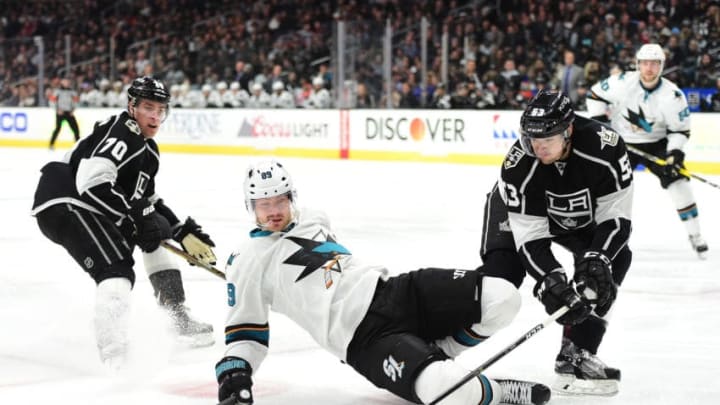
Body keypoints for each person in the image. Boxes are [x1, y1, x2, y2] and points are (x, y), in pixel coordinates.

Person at [214, 160, 552, 405]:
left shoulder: (314, 218)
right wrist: (234, 373)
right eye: (264, 205)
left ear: (292, 197)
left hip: (397, 291)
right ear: (251, 207)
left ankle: (442, 351)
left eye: (280, 201)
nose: (273, 211)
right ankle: (499, 391)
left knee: (503, 298)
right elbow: (245, 333)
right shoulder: (247, 261)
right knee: (446, 390)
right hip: (363, 340)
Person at [31, 76, 217, 369]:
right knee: (115, 269)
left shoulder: (147, 150)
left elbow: (147, 201)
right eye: (148, 107)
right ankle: (114, 350)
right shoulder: (124, 133)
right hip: (67, 201)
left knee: (154, 234)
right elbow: (91, 183)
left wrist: (180, 230)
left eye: (160, 109)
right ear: (132, 106)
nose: (155, 116)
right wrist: (138, 217)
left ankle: (175, 315)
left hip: (85, 205)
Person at [479, 89, 633, 396]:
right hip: (525, 212)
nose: (538, 147)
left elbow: (616, 218)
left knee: (609, 263)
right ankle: (439, 345)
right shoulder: (518, 166)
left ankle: (576, 354)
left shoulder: (605, 148)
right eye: (532, 139)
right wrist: (550, 281)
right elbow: (530, 237)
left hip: (579, 213)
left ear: (569, 131)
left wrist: (595, 259)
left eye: (547, 139)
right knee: (501, 279)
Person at [586, 43, 708, 259]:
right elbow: (595, 95)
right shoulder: (623, 82)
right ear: (638, 64)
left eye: (654, 63)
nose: (649, 68)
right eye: (645, 63)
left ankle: (695, 235)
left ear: (661, 66)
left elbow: (679, 130)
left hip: (657, 143)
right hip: (621, 143)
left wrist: (674, 154)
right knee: (603, 187)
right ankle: (593, 235)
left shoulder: (673, 96)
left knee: (679, 184)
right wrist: (601, 123)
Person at [48, 78, 80, 150]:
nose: (66, 83)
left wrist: (73, 110)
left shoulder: (72, 92)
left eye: (67, 81)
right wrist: (57, 110)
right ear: (62, 82)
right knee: (58, 129)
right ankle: (51, 144)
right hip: (60, 113)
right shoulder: (57, 92)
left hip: (69, 113)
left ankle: (78, 145)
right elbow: (51, 101)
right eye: (65, 81)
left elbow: (76, 101)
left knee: (76, 129)